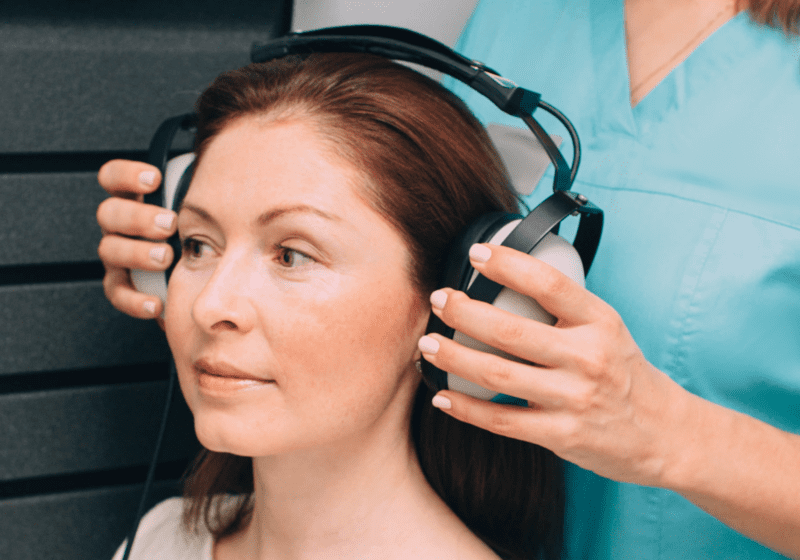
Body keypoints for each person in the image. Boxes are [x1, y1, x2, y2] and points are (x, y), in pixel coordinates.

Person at [97, 1, 800, 558]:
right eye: (200, 247)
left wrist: (672, 435)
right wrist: (202, 232)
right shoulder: (517, 18)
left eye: (290, 256)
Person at [104, 53, 564, 560]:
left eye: (292, 254)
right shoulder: (160, 540)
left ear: (448, 304)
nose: (210, 305)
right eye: (197, 245)